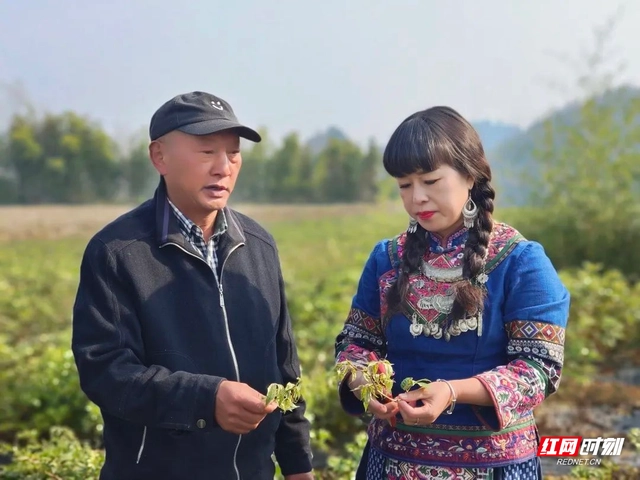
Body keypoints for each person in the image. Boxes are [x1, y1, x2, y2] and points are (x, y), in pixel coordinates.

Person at [72, 91, 314, 480]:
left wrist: (298, 464)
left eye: (233, 154)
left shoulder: (258, 245)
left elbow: (284, 366)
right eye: (206, 152)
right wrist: (206, 400)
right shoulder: (118, 252)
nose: (223, 168)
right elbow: (105, 371)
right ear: (159, 156)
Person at [334, 106, 570, 479]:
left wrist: (452, 391)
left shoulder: (520, 261)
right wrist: (365, 383)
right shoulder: (386, 259)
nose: (417, 199)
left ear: (470, 175)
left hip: (492, 464)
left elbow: (538, 370)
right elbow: (354, 344)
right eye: (404, 185)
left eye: (430, 181)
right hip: (391, 461)